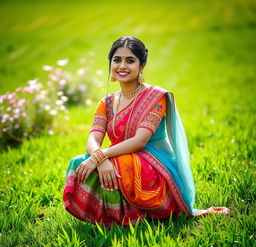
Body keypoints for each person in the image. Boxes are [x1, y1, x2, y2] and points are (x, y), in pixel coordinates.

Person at [63, 36, 229, 226]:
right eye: (117, 60)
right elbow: (93, 139)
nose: (122, 66)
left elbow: (139, 141)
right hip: (117, 156)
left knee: (116, 166)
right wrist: (99, 159)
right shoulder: (106, 102)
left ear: (142, 65)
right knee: (78, 163)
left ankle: (130, 218)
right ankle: (110, 217)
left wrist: (99, 157)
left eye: (130, 60)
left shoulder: (155, 97)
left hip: (150, 164)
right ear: (110, 64)